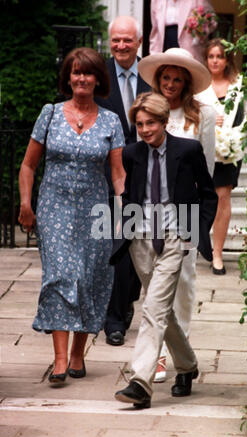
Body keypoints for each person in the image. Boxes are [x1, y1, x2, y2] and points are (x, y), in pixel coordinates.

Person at [18, 47, 125, 384]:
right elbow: (28, 164)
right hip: (54, 208)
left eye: (88, 73)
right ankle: (60, 360)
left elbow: (118, 173)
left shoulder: (111, 121)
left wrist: (125, 210)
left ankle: (79, 353)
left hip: (94, 209)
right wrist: (25, 204)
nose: (81, 78)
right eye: (75, 72)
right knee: (62, 276)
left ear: (98, 80)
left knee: (90, 278)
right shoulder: (49, 113)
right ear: (68, 78)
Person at [113, 92, 217, 409]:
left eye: (151, 124)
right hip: (141, 239)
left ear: (163, 121)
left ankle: (140, 382)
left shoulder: (187, 150)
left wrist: (195, 232)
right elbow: (131, 195)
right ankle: (187, 366)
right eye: (140, 124)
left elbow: (209, 194)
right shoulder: (131, 154)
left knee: (152, 309)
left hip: (174, 236)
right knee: (162, 311)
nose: (145, 130)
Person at [138, 47, 216, 382]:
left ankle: (177, 358)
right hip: (147, 213)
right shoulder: (147, 109)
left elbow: (207, 171)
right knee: (151, 287)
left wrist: (199, 223)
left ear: (186, 83)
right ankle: (155, 356)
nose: (170, 84)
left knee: (182, 285)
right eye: (166, 77)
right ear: (159, 79)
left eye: (177, 79)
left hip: (183, 215)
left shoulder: (203, 116)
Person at [95, 16, 151, 347]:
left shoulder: (151, 75)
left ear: (138, 42)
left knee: (136, 248)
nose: (121, 46)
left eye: (127, 40)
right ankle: (113, 320)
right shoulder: (98, 76)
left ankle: (127, 300)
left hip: (146, 178)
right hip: (106, 175)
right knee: (116, 244)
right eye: (115, 40)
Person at [196, 38, 247, 274]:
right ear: (206, 59)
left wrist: (238, 137)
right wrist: (206, 117)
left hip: (231, 150)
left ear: (227, 59)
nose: (216, 61)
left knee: (223, 198)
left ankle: (217, 254)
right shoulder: (199, 85)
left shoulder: (239, 84)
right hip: (203, 150)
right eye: (211, 56)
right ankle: (200, 239)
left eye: (220, 56)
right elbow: (188, 113)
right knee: (203, 198)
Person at [149, 0, 216, 63]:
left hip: (190, 49)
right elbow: (155, 30)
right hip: (164, 46)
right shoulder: (156, 1)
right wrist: (153, 52)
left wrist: (201, 31)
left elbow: (212, 20)